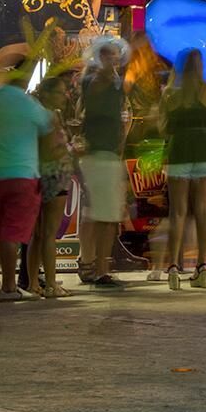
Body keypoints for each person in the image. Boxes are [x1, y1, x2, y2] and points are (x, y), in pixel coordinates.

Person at [0, 65, 52, 302]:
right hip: (23, 174)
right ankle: (9, 287)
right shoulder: (30, 105)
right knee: (12, 234)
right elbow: (48, 132)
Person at [160, 49, 206, 289]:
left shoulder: (169, 94)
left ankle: (174, 268)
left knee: (177, 212)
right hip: (205, 154)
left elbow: (164, 129)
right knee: (202, 209)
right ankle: (201, 267)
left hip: (179, 154)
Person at [76, 34, 129, 287]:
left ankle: (88, 263)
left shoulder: (113, 82)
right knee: (106, 216)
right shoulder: (94, 80)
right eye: (111, 55)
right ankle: (99, 269)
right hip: (99, 154)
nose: (116, 60)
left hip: (102, 153)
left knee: (92, 212)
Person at [29, 69, 78, 298]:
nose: (65, 95)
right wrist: (70, 149)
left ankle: (33, 282)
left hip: (39, 173)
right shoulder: (47, 116)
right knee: (49, 232)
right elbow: (50, 149)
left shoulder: (42, 114)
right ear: (47, 94)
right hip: (53, 174)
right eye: (60, 92)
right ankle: (50, 282)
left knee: (38, 234)